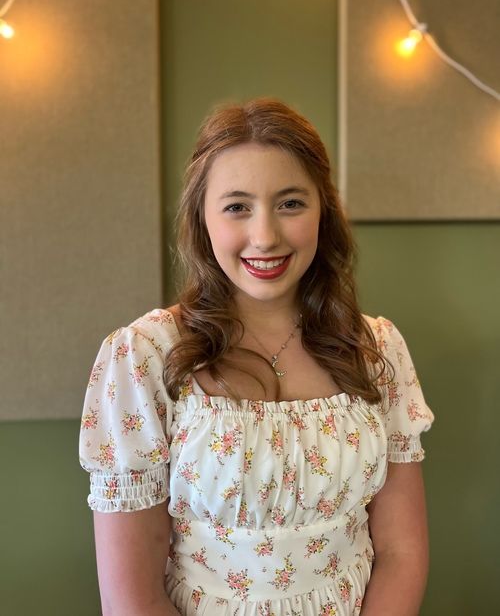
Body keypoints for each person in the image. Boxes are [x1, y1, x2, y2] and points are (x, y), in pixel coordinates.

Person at [79, 98, 434, 616]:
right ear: (202, 217)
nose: (265, 237)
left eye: (290, 203)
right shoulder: (145, 356)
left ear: (323, 210)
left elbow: (402, 551)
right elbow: (130, 597)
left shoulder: (377, 349)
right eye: (237, 207)